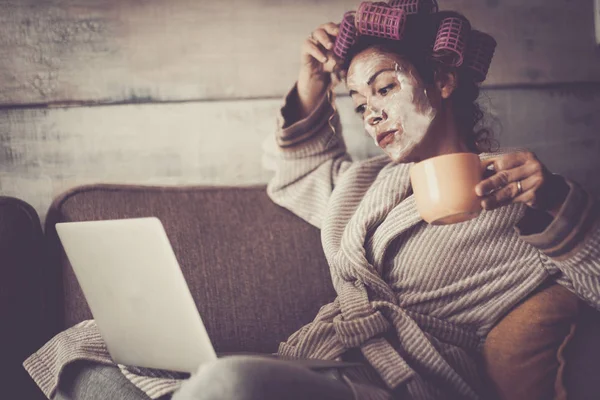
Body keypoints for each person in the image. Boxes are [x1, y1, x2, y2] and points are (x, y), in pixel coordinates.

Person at [24, 3, 600, 400]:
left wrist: (554, 202)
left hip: (399, 385)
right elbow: (299, 175)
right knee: (82, 346)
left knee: (229, 385)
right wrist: (310, 87)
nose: (370, 111)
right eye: (357, 100)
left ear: (443, 81)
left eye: (385, 87)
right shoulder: (363, 186)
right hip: (319, 367)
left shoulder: (520, 202)